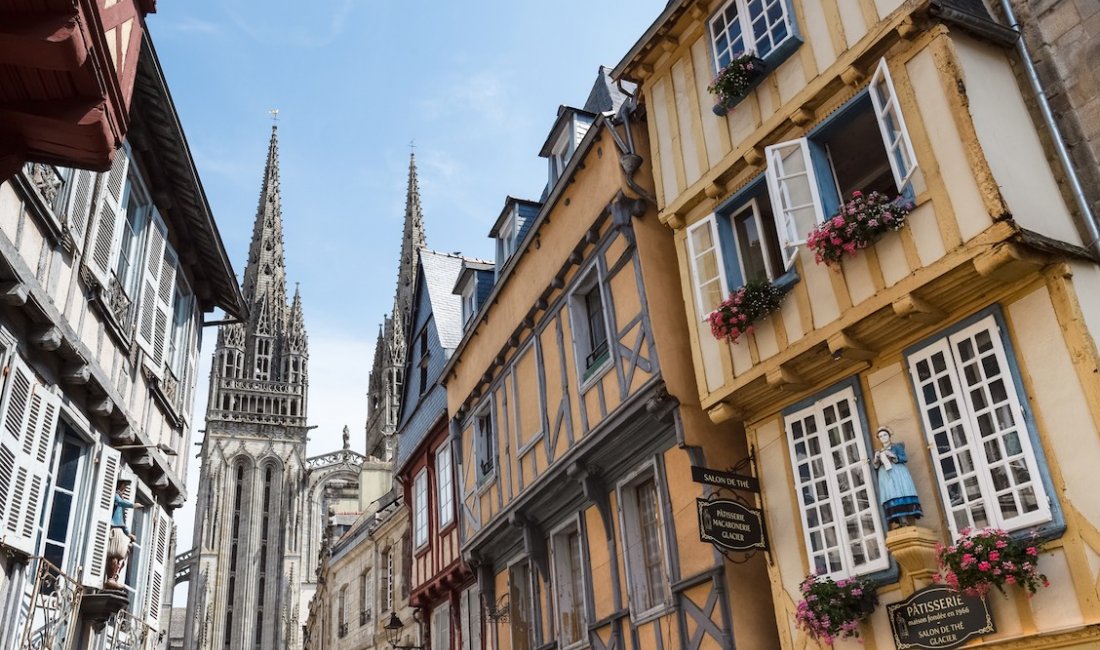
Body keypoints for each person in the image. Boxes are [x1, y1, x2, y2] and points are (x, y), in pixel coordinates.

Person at [872, 426, 922, 528]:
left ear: (889, 436)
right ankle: (900, 520)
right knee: (891, 495)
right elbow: (876, 465)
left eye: (885, 435)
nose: (883, 438)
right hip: (886, 476)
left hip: (898, 473)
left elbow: (903, 458)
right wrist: (877, 458)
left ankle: (906, 520)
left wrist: (891, 455)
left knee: (900, 492)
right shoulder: (879, 450)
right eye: (880, 436)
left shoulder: (897, 446)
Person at [105, 479, 143, 590]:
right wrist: (133, 505)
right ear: (119, 487)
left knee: (124, 553)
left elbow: (122, 520)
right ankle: (110, 578)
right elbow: (120, 503)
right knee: (114, 553)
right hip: (115, 528)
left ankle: (115, 577)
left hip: (120, 529)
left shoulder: (120, 499)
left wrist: (128, 533)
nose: (125, 491)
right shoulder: (116, 497)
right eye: (124, 488)